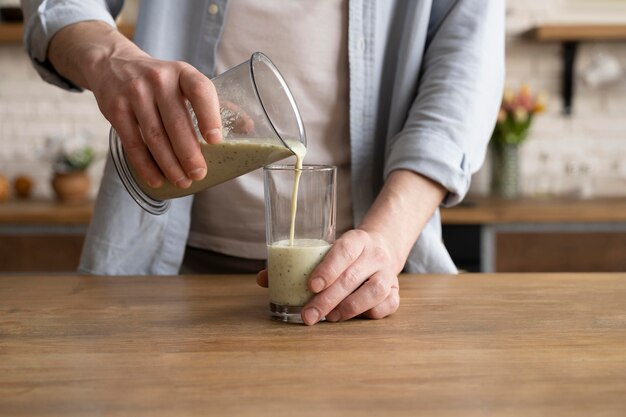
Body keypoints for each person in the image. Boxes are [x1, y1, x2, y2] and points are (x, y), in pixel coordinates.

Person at [21, 0, 504, 325]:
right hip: (166, 269)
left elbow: (466, 69)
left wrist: (387, 239)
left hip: (373, 274)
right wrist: (110, 59)